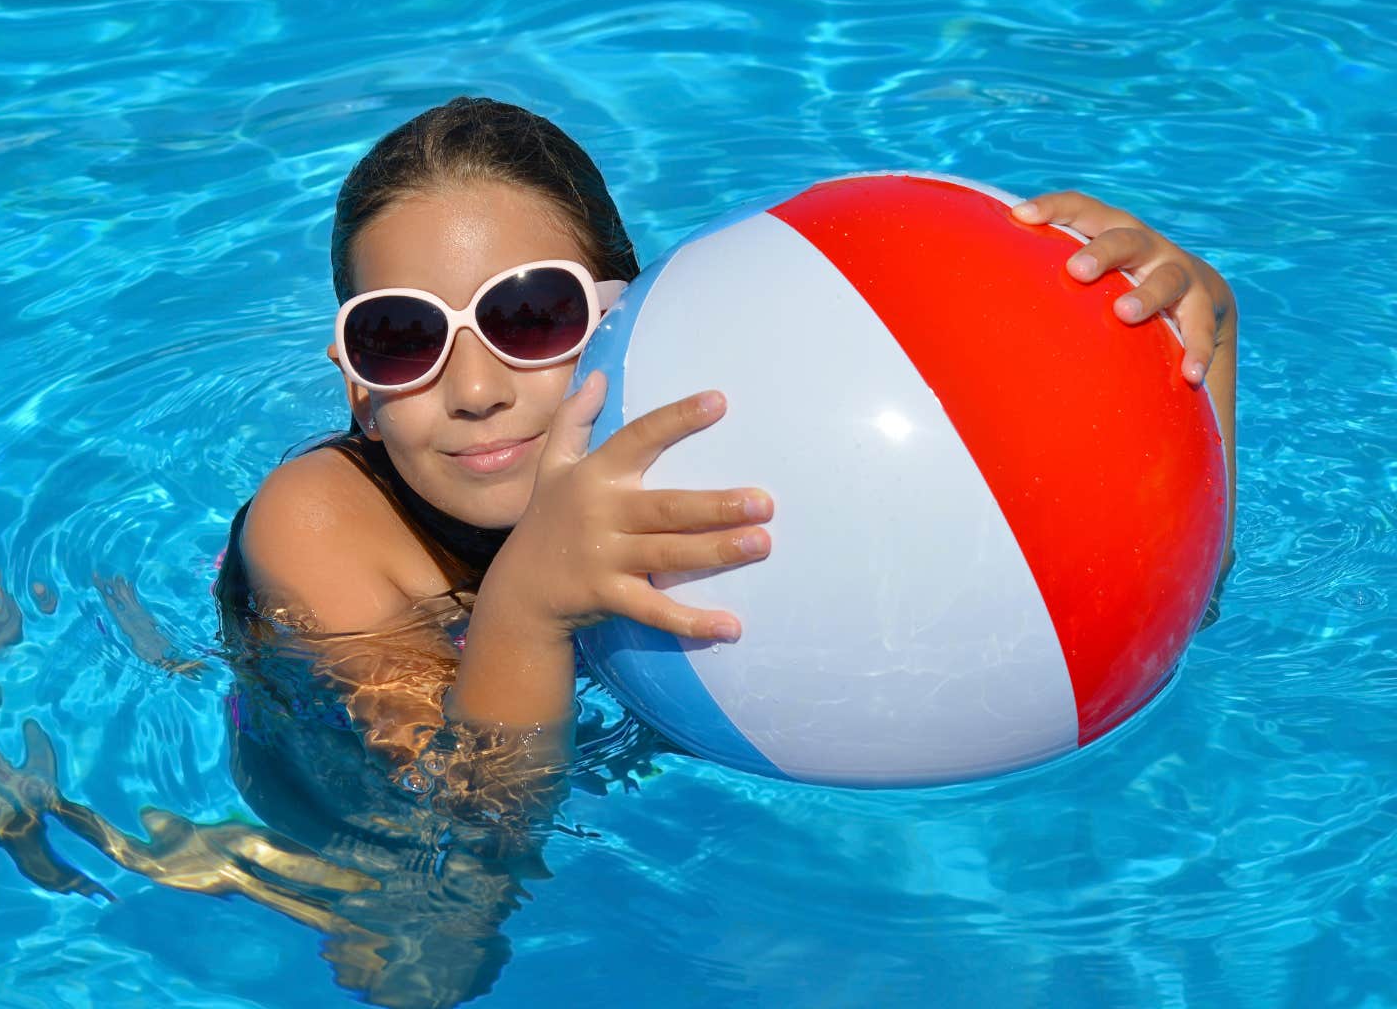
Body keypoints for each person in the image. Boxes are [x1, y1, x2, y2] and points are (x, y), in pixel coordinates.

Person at [218, 95, 1238, 761]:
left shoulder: (725, 433)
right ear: (355, 382)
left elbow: (1160, 613)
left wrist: (1196, 347)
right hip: (351, 817)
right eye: (400, 338)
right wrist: (528, 606)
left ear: (631, 312)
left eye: (531, 316)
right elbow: (464, 844)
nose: (475, 388)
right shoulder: (321, 526)